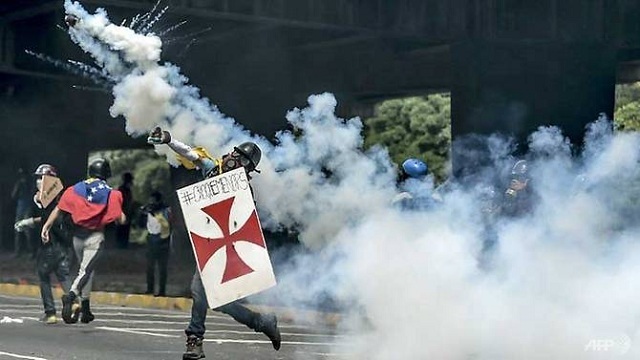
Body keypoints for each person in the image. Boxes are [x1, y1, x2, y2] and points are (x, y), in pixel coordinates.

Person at [147, 127, 281, 360]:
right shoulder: (213, 169)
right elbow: (192, 155)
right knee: (219, 303)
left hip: (223, 248)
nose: (234, 160)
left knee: (199, 291)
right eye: (236, 154)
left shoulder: (244, 192)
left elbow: (244, 228)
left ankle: (194, 340)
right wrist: (169, 140)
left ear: (248, 169)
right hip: (206, 242)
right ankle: (261, 322)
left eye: (242, 160)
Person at [41, 158, 126, 324]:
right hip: (95, 238)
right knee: (85, 272)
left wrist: (46, 226)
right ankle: (71, 296)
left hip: (77, 238)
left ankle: (86, 310)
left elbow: (59, 209)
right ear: (107, 173)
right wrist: (124, 216)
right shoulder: (111, 193)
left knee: (86, 271)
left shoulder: (75, 189)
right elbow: (119, 218)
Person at [14, 164, 72, 324]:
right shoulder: (60, 197)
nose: (39, 181)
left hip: (49, 244)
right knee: (64, 276)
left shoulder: (44, 197)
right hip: (63, 243)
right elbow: (47, 217)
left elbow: (47, 214)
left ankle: (50, 312)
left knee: (43, 276)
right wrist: (29, 222)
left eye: (41, 178)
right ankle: (74, 302)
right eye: (38, 178)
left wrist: (30, 221)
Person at [139, 191, 172, 297]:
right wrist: (142, 213)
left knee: (162, 268)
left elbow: (166, 224)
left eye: (154, 201)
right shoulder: (148, 210)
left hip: (163, 240)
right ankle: (150, 288)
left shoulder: (165, 210)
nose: (151, 203)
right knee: (150, 267)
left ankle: (162, 291)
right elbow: (140, 224)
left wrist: (155, 213)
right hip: (151, 239)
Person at [12, 168, 35, 258]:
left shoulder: (29, 185)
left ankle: (31, 251)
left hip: (27, 208)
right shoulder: (20, 184)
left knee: (27, 231)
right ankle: (18, 251)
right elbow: (13, 195)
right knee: (18, 229)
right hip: (20, 208)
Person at [116, 172, 134, 249]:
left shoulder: (126, 189)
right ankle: (121, 246)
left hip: (126, 211)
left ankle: (123, 245)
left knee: (124, 229)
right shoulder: (123, 189)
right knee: (122, 229)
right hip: (123, 211)